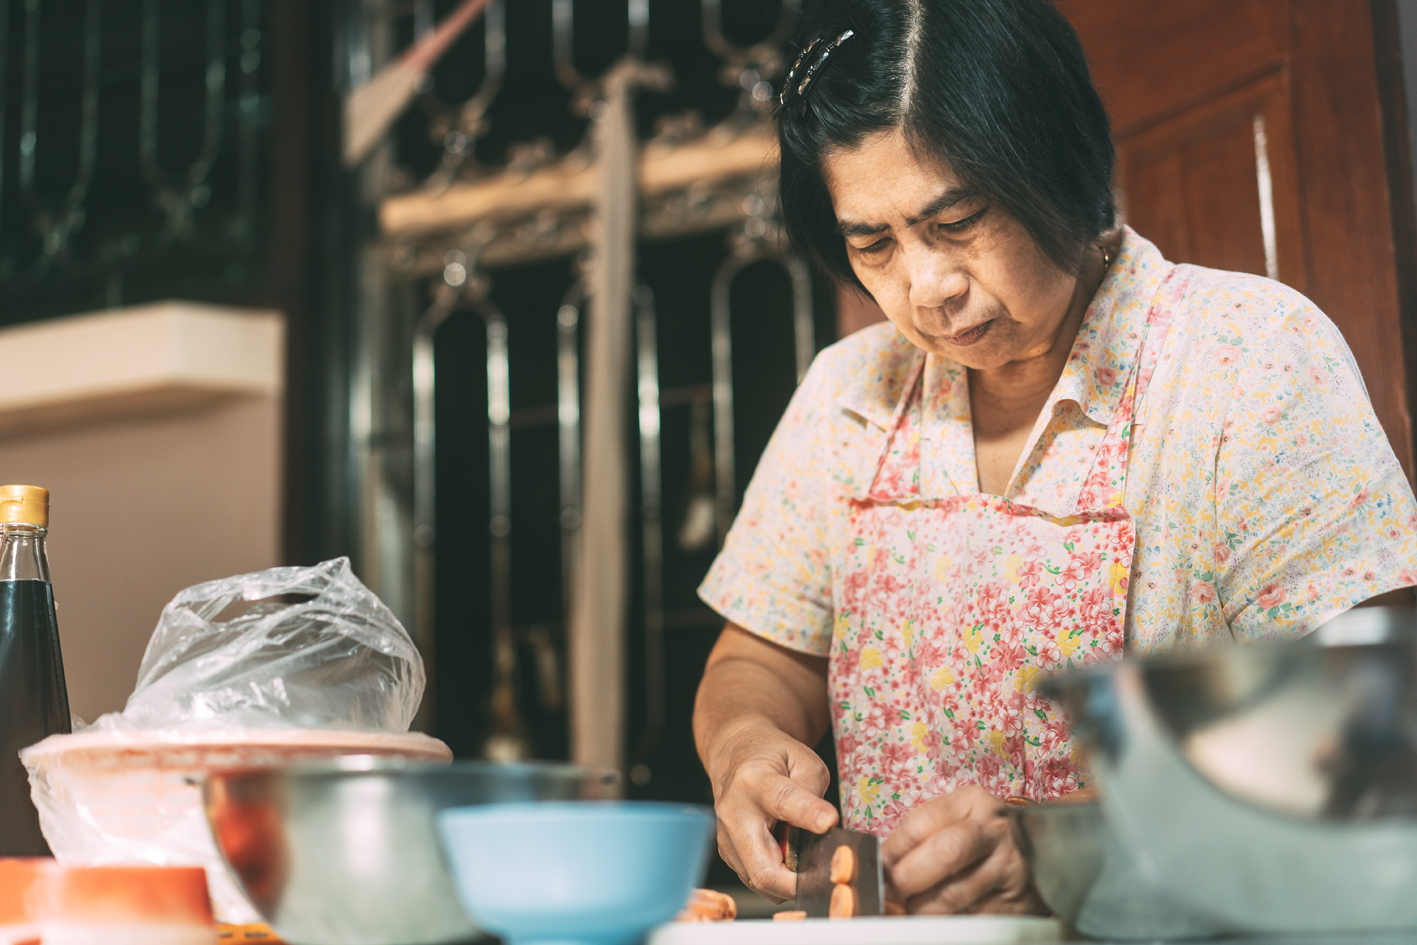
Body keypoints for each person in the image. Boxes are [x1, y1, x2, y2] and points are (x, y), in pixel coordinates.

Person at [692, 0, 1417, 917]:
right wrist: (745, 746)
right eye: (872, 243)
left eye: (957, 220)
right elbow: (758, 658)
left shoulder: (1245, 355)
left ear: (1057, 165)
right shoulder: (850, 391)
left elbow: (1370, 734)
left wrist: (1060, 843)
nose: (926, 287)